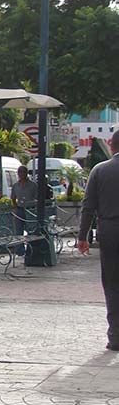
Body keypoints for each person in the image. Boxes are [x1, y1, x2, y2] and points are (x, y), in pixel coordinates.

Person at [78, 130, 119, 351]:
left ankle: (115, 336)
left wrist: (82, 236)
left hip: (110, 232)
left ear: (111, 146)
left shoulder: (100, 170)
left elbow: (88, 207)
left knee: (112, 283)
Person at [10, 165, 38, 255]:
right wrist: (15, 207)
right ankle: (20, 250)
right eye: (20, 172)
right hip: (19, 209)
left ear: (26, 173)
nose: (21, 174)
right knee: (18, 231)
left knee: (31, 230)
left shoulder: (32, 185)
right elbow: (13, 198)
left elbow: (37, 197)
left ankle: (31, 249)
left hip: (30, 209)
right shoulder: (16, 186)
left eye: (23, 172)